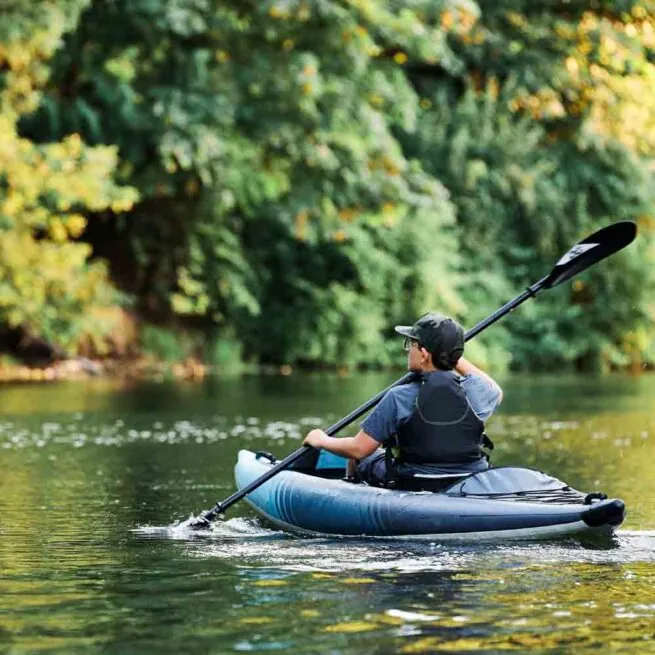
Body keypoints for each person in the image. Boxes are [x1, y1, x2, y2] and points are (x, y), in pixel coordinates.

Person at [303, 312, 503, 489]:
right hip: (468, 479)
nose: (408, 350)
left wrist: (321, 440)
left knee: (361, 458)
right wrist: (446, 354)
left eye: (412, 344)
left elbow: (358, 449)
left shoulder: (399, 397)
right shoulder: (477, 391)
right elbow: (494, 389)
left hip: (416, 481)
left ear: (423, 354)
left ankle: (350, 490)